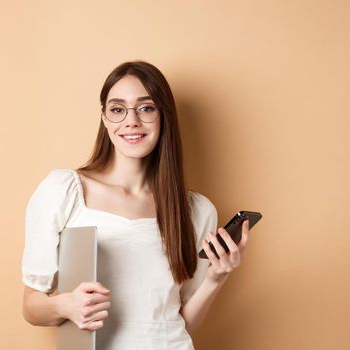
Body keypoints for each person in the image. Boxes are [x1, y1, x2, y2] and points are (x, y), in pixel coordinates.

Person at [21, 60, 250, 349]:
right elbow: (31, 306)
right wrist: (66, 306)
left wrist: (217, 277)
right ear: (104, 118)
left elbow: (181, 324)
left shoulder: (195, 210)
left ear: (163, 116)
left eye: (146, 108)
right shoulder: (63, 191)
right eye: (118, 109)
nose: (132, 121)